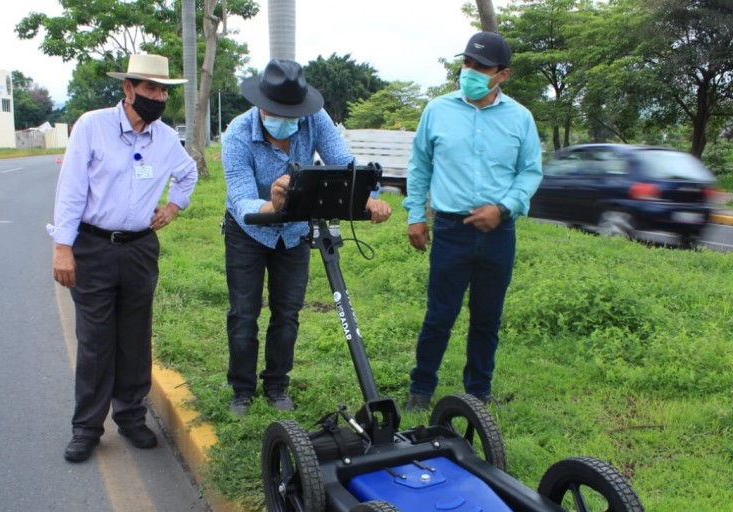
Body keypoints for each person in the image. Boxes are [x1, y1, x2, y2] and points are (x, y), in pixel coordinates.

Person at [221, 59, 392, 416]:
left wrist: (367, 196)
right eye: (278, 111)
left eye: (293, 111)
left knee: (287, 311)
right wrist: (272, 204)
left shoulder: (315, 120)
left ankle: (277, 384)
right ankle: (241, 390)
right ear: (261, 106)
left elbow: (345, 163)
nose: (287, 118)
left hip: (296, 228)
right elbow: (239, 198)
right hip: (248, 229)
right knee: (244, 313)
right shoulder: (238, 133)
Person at [50, 54, 198, 462]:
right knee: (96, 340)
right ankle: (87, 428)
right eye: (150, 88)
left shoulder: (166, 138)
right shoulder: (93, 126)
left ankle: (131, 417)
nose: (158, 97)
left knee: (135, 337)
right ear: (128, 89)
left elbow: (189, 173)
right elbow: (72, 188)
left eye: (164, 90)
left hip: (139, 248)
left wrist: (174, 207)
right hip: (93, 247)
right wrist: (63, 246)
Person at [403, 32, 542, 411]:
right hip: (451, 229)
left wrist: (504, 207)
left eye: (481, 67)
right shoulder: (437, 110)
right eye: (467, 63)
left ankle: (478, 391)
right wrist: (417, 216)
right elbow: (419, 167)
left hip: (499, 232)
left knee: (487, 317)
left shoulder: (520, 118)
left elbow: (530, 172)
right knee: (439, 315)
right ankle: (421, 390)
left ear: (503, 75)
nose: (471, 72)